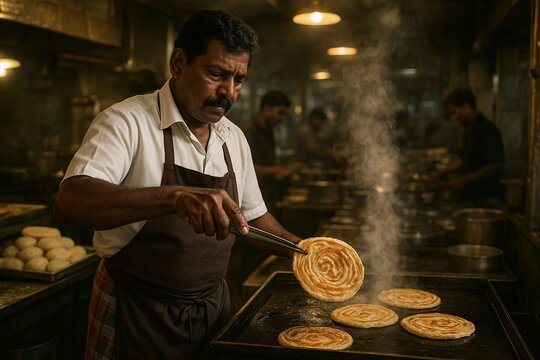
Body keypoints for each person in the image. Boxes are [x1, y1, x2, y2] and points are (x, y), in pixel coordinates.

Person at [53, 10, 301, 360]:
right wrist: (174, 197)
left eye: (239, 79)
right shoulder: (127, 122)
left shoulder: (234, 138)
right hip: (134, 311)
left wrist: (305, 250)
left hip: (211, 311)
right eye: (216, 74)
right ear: (179, 63)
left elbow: (253, 217)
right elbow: (71, 201)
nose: (228, 92)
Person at [432, 87, 504, 206]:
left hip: (485, 197)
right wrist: (441, 172)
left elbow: (495, 164)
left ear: (466, 107)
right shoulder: (468, 130)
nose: (454, 118)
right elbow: (464, 161)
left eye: (454, 112)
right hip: (471, 195)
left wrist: (463, 180)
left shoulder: (488, 130)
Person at [244, 90, 302, 213]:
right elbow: (245, 169)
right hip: (253, 197)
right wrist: (280, 169)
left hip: (267, 192)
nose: (282, 118)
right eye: (279, 113)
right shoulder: (250, 131)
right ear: (266, 108)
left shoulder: (268, 128)